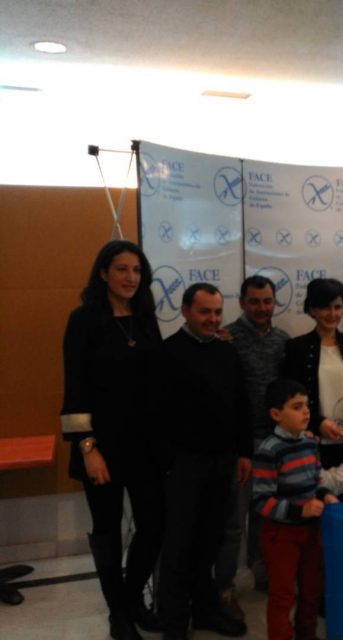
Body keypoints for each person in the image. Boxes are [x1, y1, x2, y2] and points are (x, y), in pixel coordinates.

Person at [61, 240, 164, 640]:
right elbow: (74, 388)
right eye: (122, 269)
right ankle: (118, 615)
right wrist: (87, 448)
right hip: (100, 448)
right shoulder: (83, 320)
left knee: (154, 524)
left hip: (145, 447)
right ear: (103, 273)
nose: (130, 278)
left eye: (137, 270)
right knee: (107, 530)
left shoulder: (145, 317)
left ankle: (131, 598)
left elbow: (160, 375)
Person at [155, 283, 251, 640]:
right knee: (179, 545)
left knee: (210, 541)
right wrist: (168, 462)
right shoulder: (167, 353)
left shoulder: (226, 351)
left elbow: (241, 404)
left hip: (222, 462)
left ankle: (205, 611)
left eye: (217, 312)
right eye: (204, 312)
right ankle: (174, 623)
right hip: (183, 466)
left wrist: (244, 452)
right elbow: (155, 415)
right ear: (185, 311)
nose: (212, 319)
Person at [215, 275, 289, 618]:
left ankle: (263, 574)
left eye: (267, 301)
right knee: (233, 522)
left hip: (275, 443)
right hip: (240, 446)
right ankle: (224, 587)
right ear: (242, 303)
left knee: (265, 516)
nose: (262, 308)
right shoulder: (225, 338)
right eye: (255, 302)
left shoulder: (283, 340)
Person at [252, 379, 338, 640]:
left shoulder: (310, 443)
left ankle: (307, 634)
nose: (306, 412)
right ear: (276, 414)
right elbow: (261, 502)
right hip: (281, 534)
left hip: (311, 531)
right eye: (297, 407)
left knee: (312, 591)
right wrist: (300, 511)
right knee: (283, 595)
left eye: (307, 406)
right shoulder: (269, 450)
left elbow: (317, 481)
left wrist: (327, 495)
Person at [284, 278, 343, 470]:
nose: (333, 314)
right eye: (325, 307)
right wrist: (318, 424)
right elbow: (290, 398)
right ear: (312, 310)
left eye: (338, 307)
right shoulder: (297, 347)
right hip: (312, 442)